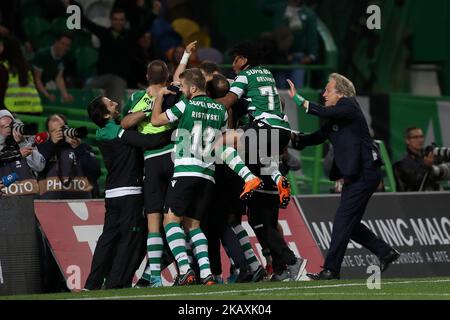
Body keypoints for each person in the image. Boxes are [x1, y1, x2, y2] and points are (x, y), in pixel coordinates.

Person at [151, 68, 263, 286]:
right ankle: (206, 275)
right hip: (208, 175)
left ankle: (184, 268)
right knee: (194, 225)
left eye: (183, 87)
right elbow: (222, 145)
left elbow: (156, 121)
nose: (180, 90)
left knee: (170, 220)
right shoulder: (220, 110)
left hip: (185, 171)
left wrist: (158, 98)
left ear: (193, 88)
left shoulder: (186, 105)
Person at [288, 74, 400, 280]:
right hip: (356, 176)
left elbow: (322, 110)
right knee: (350, 224)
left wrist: (298, 99)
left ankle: (331, 270)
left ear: (340, 93)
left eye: (327, 90)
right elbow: (314, 138)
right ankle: (385, 252)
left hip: (365, 173)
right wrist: (289, 137)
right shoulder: (336, 119)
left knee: (342, 221)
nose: (323, 94)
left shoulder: (349, 106)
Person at [216, 41, 307, 282]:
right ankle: (282, 267)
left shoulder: (244, 78)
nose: (233, 63)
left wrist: (203, 106)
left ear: (244, 59)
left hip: (262, 132)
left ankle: (291, 261)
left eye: (235, 58)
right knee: (261, 218)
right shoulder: (267, 75)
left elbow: (227, 102)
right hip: (281, 133)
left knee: (221, 140)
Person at [85, 95, 173, 290]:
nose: (116, 103)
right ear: (107, 114)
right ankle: (116, 284)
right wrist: (172, 128)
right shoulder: (117, 132)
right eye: (111, 103)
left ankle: (91, 284)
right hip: (130, 193)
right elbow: (150, 141)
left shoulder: (102, 132)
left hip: (113, 194)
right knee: (130, 241)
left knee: (107, 239)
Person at [120, 59, 177, 288]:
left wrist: (145, 110)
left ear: (146, 76)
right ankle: (187, 269)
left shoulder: (136, 98)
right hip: (173, 156)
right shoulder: (174, 92)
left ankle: (154, 277)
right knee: (177, 219)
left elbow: (124, 123)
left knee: (154, 220)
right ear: (167, 75)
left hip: (152, 160)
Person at [37, 114, 101, 199]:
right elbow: (37, 166)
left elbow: (95, 172)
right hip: (50, 205)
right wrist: (52, 144)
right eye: (54, 131)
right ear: (48, 133)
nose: (59, 133)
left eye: (61, 129)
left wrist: (79, 148)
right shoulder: (42, 147)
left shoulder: (81, 147)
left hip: (80, 205)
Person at [0, 109, 45, 197]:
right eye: (3, 126)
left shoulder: (25, 142)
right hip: (5, 205)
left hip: (28, 202)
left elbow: (39, 166)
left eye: (10, 125)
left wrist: (22, 143)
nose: (8, 129)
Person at [0, 36, 43, 114]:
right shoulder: (28, 68)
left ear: (7, 48)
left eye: (1, 45)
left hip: (12, 114)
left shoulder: (3, 68)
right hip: (33, 112)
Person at [393, 127, 443, 192]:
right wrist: (426, 167)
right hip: (412, 199)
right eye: (415, 137)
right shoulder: (401, 163)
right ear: (407, 141)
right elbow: (414, 184)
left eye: (421, 136)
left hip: (433, 195)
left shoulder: (427, 157)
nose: (420, 140)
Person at [32, 34, 74, 103]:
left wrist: (65, 95)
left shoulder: (63, 56)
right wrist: (47, 95)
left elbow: (59, 77)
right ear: (56, 42)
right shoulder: (42, 54)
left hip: (46, 84)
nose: (64, 47)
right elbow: (37, 78)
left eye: (67, 45)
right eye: (62, 44)